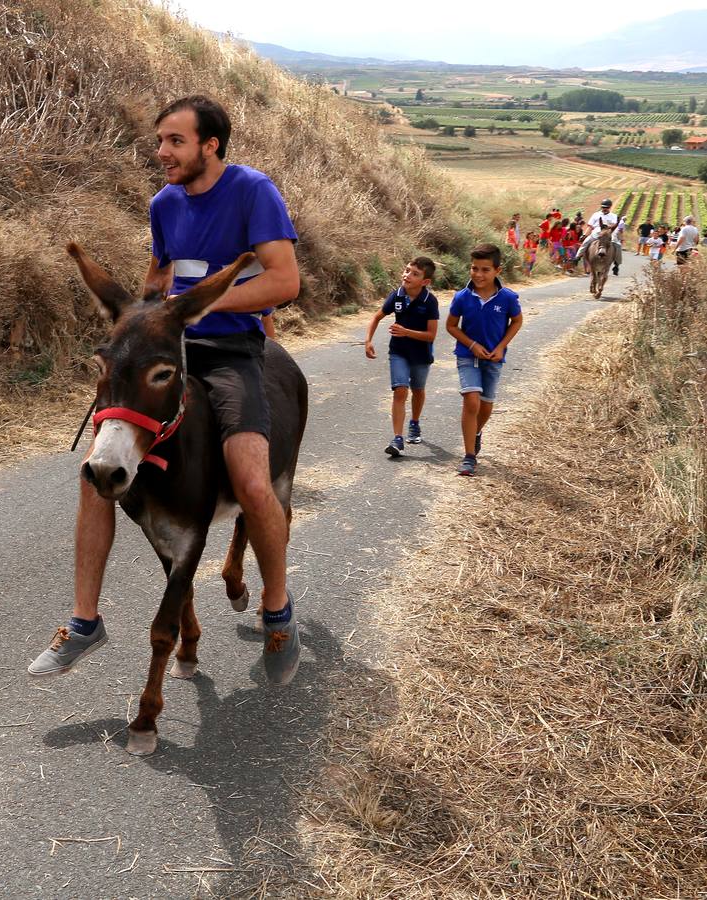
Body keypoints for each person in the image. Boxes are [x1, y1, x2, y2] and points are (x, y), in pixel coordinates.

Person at [28, 95, 303, 684]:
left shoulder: (255, 191)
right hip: (165, 349)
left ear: (211, 145)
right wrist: (146, 314)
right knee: (95, 469)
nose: (162, 152)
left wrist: (199, 308)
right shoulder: (164, 203)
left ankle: (278, 614)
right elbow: (160, 272)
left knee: (254, 478)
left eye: (175, 141)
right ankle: (83, 622)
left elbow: (285, 280)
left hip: (229, 351)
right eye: (160, 141)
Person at [445, 244, 523, 477]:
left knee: (486, 404)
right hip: (467, 356)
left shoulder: (507, 298)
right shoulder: (462, 297)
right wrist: (471, 345)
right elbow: (451, 325)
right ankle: (469, 457)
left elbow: (517, 321)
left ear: (497, 271)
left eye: (485, 270)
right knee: (471, 401)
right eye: (474, 268)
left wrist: (501, 347)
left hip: (493, 358)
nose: (478, 274)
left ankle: (476, 432)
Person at [364, 257, 439, 457]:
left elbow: (431, 335)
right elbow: (377, 317)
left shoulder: (429, 301)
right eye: (407, 270)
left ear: (425, 282)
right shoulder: (396, 296)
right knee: (400, 391)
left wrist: (406, 332)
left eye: (415, 273)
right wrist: (368, 340)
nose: (407, 275)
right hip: (398, 351)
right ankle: (397, 438)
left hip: (421, 355)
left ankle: (414, 423)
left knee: (418, 390)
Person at [577, 198, 621, 276]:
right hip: (596, 233)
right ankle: (577, 258)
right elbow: (590, 226)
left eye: (606, 207)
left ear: (610, 207)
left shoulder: (613, 216)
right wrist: (584, 235)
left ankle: (616, 265)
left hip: (609, 233)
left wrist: (609, 228)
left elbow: (614, 227)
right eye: (603, 207)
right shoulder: (596, 215)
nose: (604, 209)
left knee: (618, 246)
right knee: (586, 242)